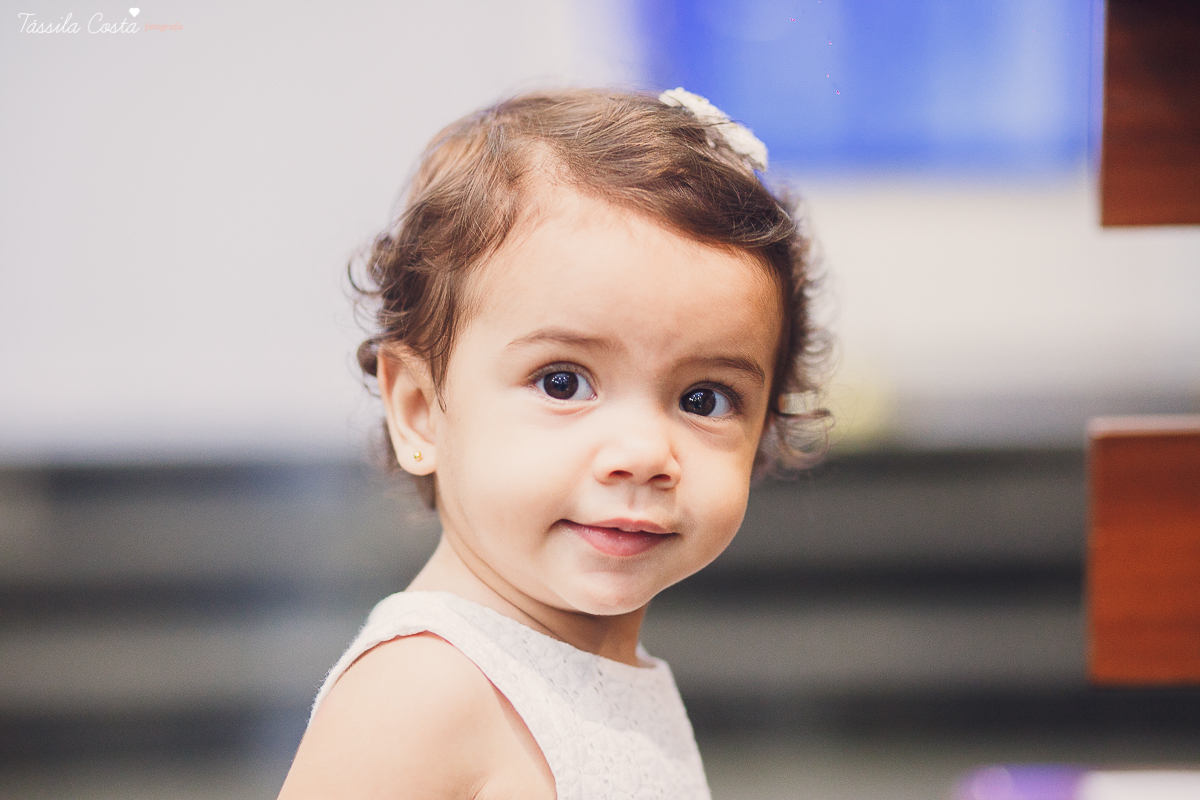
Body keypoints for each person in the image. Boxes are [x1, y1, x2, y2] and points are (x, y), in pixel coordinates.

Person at [278, 87, 827, 799]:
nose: (642, 453)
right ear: (419, 410)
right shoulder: (423, 691)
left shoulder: (600, 679)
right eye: (563, 383)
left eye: (704, 399)